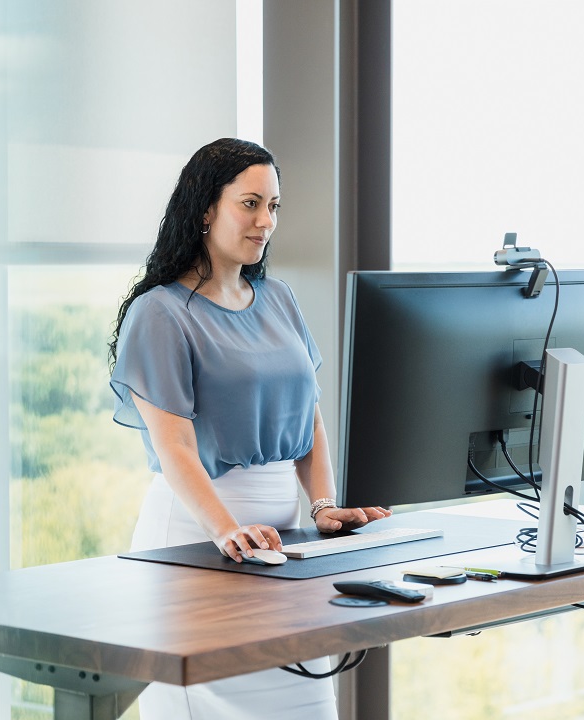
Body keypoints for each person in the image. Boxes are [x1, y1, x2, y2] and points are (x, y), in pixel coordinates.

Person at [108, 137, 392, 720]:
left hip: (282, 544)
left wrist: (322, 506)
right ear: (206, 208)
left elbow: (309, 419)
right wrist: (226, 529)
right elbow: (174, 446)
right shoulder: (159, 313)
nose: (266, 222)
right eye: (250, 203)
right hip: (199, 534)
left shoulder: (279, 299)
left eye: (275, 207)